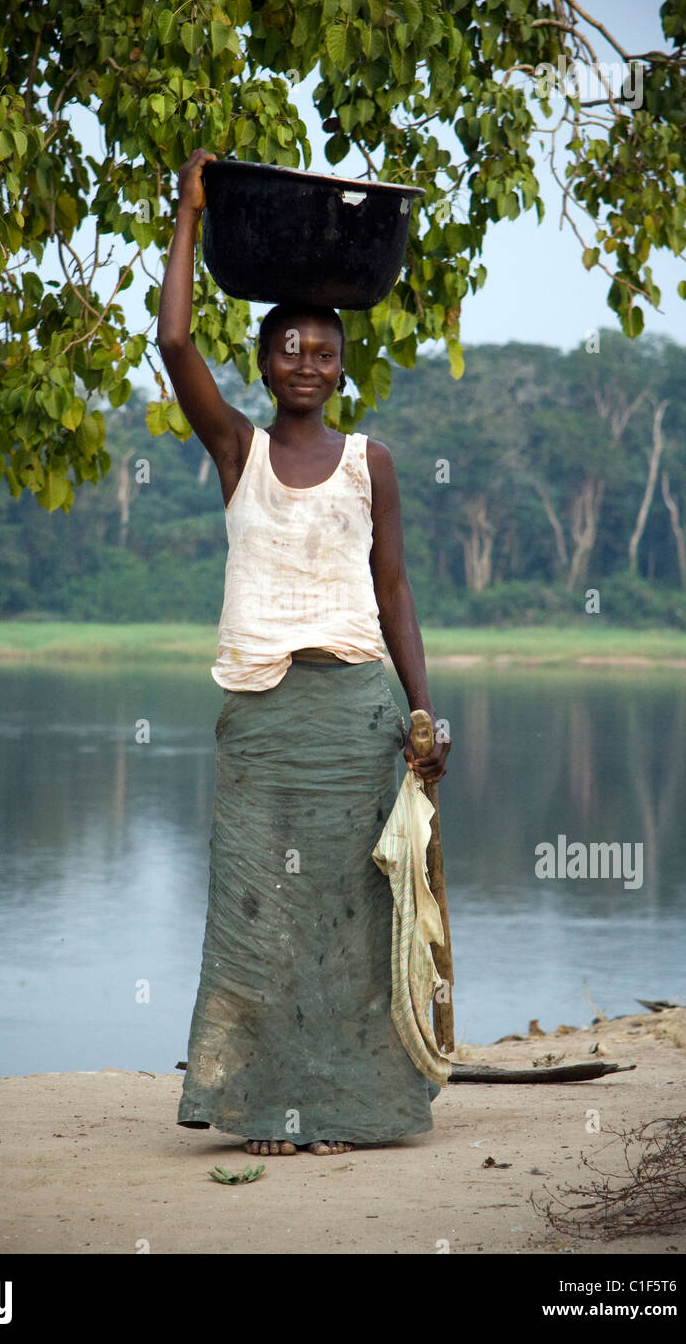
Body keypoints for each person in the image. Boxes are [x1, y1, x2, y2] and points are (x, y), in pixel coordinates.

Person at [158, 147, 451, 1156]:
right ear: (264, 361)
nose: (306, 362)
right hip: (261, 719)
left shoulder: (370, 462)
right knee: (258, 914)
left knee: (352, 924)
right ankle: (261, 1110)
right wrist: (188, 211)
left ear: (340, 366)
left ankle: (348, 1110)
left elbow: (394, 591)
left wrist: (422, 711)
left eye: (322, 349)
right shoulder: (238, 454)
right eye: (287, 346)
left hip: (356, 717)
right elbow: (171, 338)